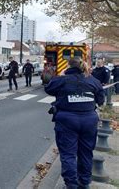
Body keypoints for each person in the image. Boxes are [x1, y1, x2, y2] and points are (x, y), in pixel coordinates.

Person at [45, 58, 104, 189]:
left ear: (67, 66)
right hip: (89, 120)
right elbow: (100, 100)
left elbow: (48, 88)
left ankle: (71, 185)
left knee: (68, 154)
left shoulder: (61, 80)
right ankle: (84, 182)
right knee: (86, 152)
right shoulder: (93, 80)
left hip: (67, 121)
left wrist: (60, 76)